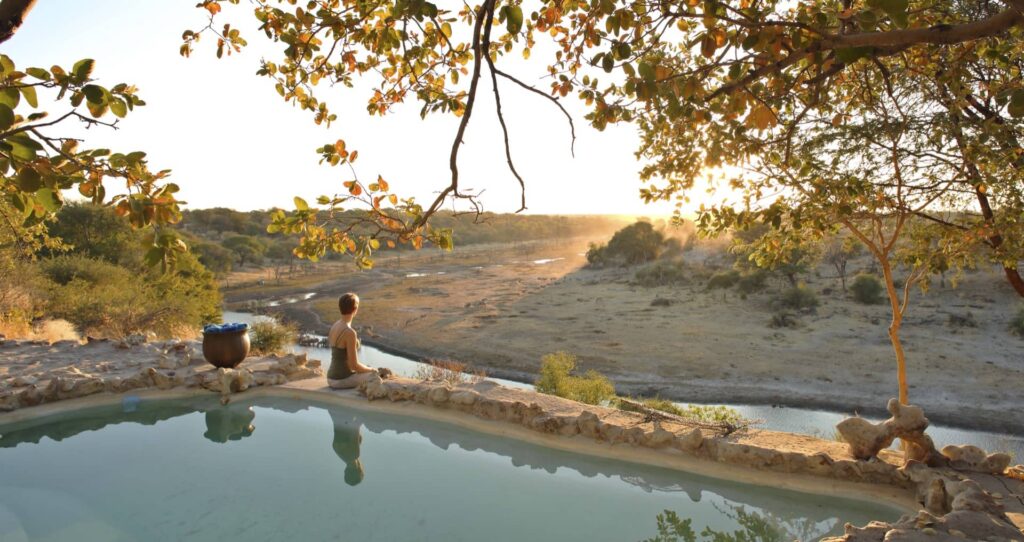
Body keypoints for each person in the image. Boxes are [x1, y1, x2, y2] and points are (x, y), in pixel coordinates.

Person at [327, 292, 391, 388]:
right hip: (341, 380)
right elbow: (354, 365)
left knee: (366, 369)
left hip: (330, 378)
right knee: (375, 377)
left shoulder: (335, 325)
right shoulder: (349, 332)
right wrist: (372, 370)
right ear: (355, 309)